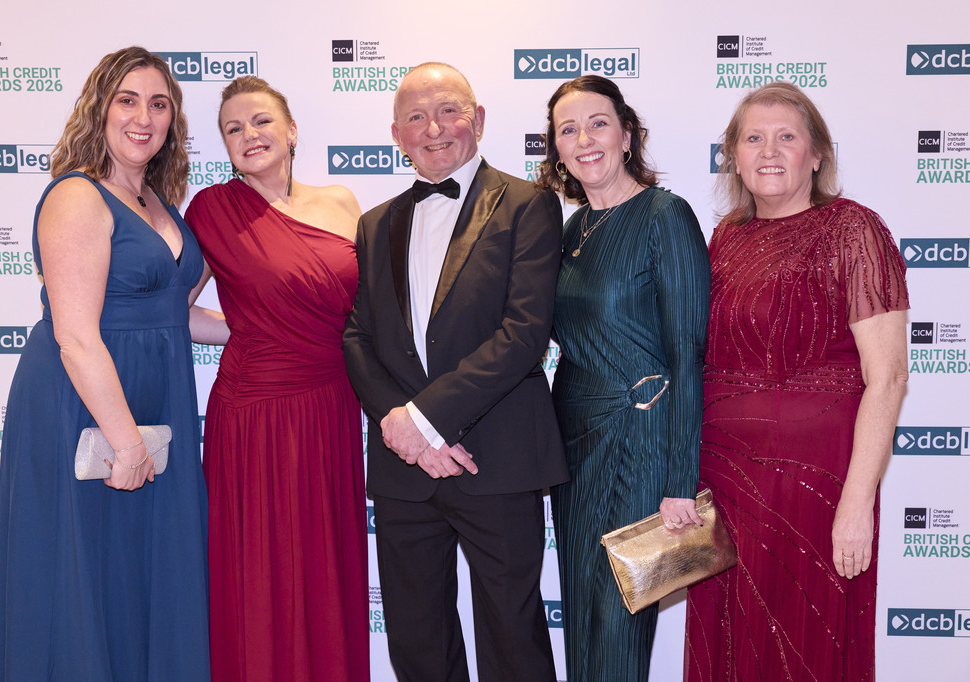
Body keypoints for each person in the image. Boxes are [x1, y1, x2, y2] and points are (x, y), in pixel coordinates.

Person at [0, 46, 222, 680]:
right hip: (83, 405)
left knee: (144, 576)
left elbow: (172, 313)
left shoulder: (159, 203)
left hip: (156, 405)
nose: (143, 117)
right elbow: (75, 335)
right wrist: (126, 444)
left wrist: (263, 332)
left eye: (159, 104)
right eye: (127, 100)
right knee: (84, 576)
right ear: (99, 109)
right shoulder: (76, 195)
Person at [343, 62, 568, 682]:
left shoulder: (527, 204)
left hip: (496, 456)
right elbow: (359, 336)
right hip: (404, 469)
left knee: (513, 640)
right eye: (416, 117)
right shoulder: (374, 223)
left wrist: (426, 421)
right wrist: (404, 429)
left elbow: (524, 334)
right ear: (397, 134)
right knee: (417, 641)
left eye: (448, 111)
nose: (434, 129)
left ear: (479, 120)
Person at [684, 82, 909, 681]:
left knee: (804, 643)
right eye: (753, 138)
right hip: (724, 480)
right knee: (729, 641)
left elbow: (888, 378)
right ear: (734, 157)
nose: (769, 151)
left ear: (817, 155)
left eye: (786, 136)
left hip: (814, 485)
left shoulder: (854, 230)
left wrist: (857, 504)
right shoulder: (725, 237)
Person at [184, 76, 368, 682]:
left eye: (261, 121)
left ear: (291, 131)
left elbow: (370, 313)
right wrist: (250, 330)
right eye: (233, 129)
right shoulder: (212, 210)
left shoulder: (341, 202)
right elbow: (176, 311)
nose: (249, 135)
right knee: (262, 569)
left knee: (324, 563)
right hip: (256, 410)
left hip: (332, 403)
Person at [535, 75, 711, 682]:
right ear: (556, 149)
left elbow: (687, 353)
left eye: (598, 124)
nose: (584, 140)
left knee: (619, 625)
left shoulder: (666, 216)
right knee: (583, 620)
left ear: (628, 135)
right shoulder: (571, 230)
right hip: (575, 446)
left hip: (641, 445)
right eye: (568, 129)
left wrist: (680, 481)